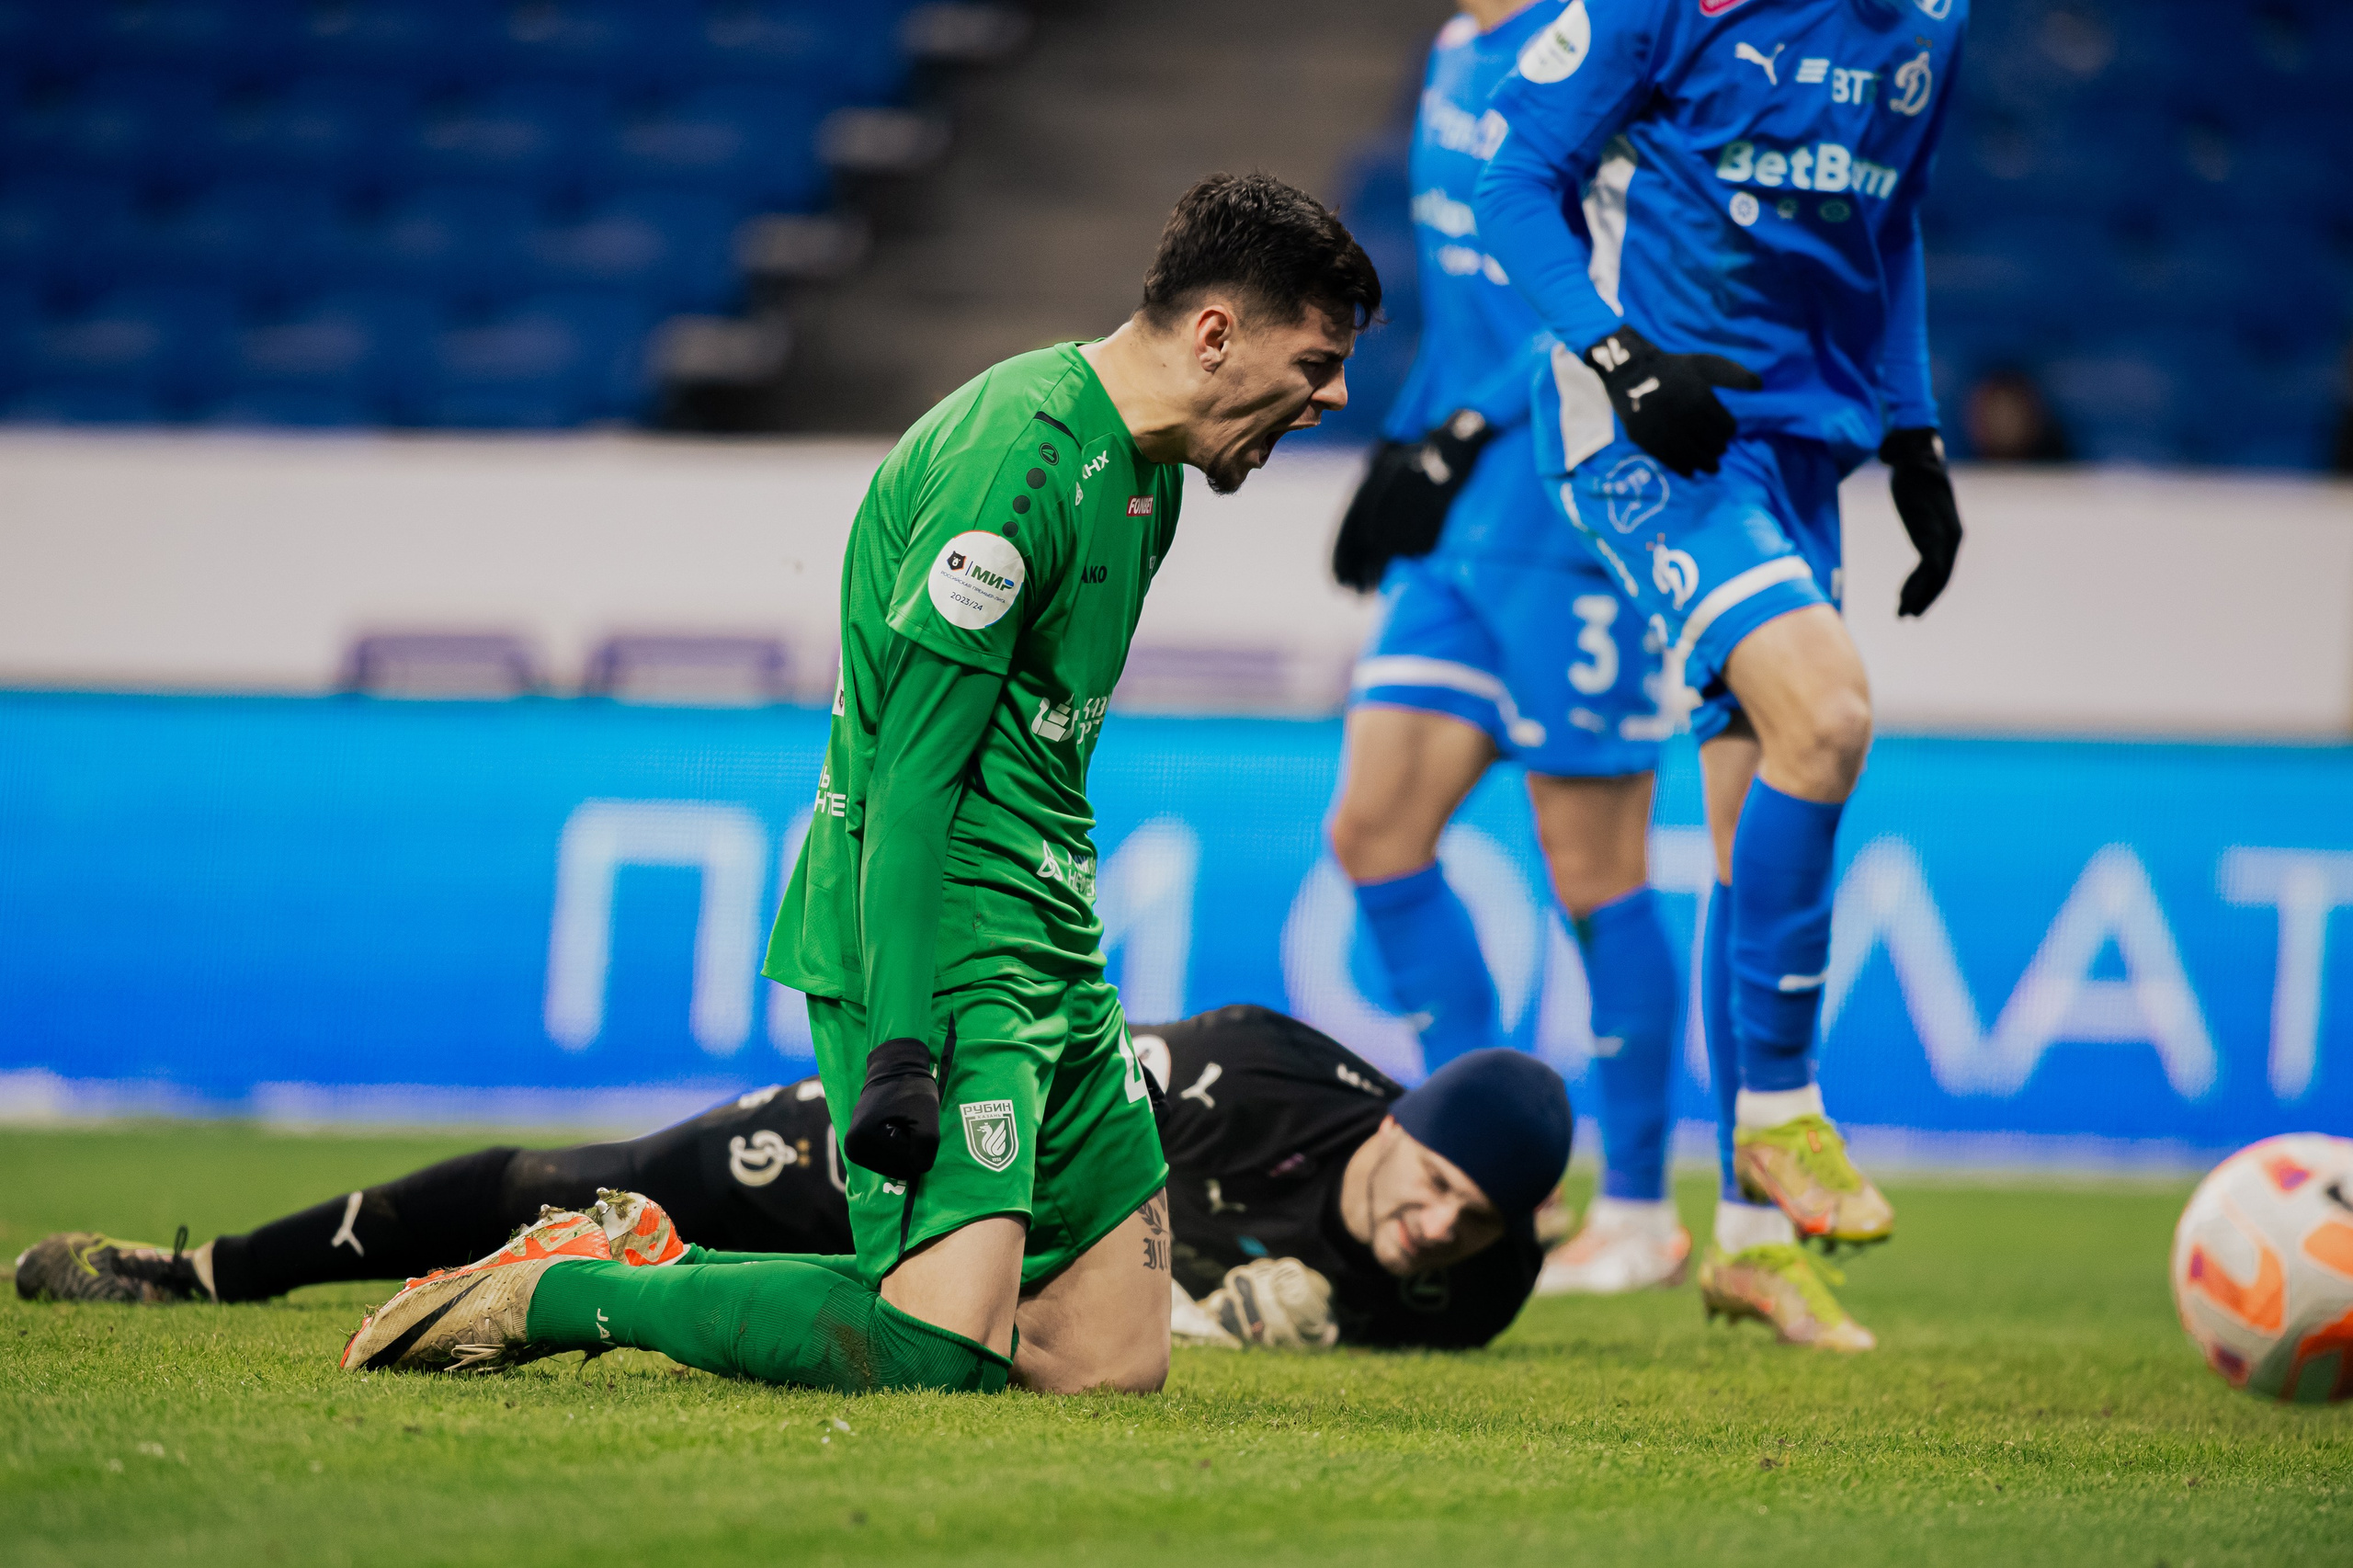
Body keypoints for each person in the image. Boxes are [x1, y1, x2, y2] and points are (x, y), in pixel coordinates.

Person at [325, 174, 1379, 1395]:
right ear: (1215, 334)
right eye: (1316, 361)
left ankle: (699, 1258)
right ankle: (571, 1282)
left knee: (1107, 1366)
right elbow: (909, 787)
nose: (1335, 396)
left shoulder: (1153, 479)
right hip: (945, 936)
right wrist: (902, 1049)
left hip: (1050, 935)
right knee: (934, 1353)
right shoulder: (1015, 473)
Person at [1473, 0, 1972, 1350]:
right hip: (1659, 432)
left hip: (1807, 449)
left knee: (1759, 830)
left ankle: (1752, 1249)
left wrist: (1917, 431)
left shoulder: (1935, 18)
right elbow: (1513, 176)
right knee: (1833, 710)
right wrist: (1618, 353)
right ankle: (1780, 1121)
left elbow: (1895, 213)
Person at [17, 1006, 1572, 1354]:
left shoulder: (1481, 1282)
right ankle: (210, 1268)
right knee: (604, 1163)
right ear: (1394, 1122)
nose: (1432, 1226)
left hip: (1002, 1294)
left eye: (1468, 1222)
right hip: (973, 1137)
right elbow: (1068, 1132)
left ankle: (602, 1271)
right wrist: (1197, 1286)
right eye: (1429, 1180)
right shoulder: (1255, 1075)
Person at [1324, 0, 1688, 1298]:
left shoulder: (1607, 36)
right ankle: (1466, 1146)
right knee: (1376, 831)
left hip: (1576, 497)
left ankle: (1640, 1206)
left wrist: (1460, 432)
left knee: (1592, 864)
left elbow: (1617, 272)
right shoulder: (1456, 44)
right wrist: (1407, 443)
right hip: (1467, 505)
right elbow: (1468, 303)